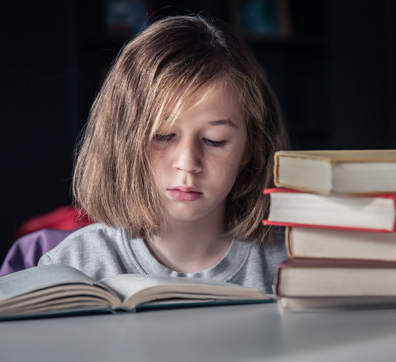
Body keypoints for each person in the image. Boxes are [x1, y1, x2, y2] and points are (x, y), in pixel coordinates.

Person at [39, 15, 290, 294]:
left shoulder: (296, 261)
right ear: (122, 140)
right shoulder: (70, 267)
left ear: (250, 147)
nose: (187, 163)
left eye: (214, 141)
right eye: (162, 136)